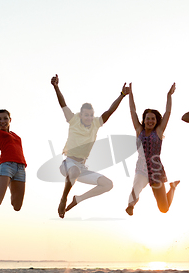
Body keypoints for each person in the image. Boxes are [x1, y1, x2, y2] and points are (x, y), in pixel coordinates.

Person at [51, 74, 130, 218]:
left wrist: (122, 95)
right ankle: (63, 199)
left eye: (90, 115)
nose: (88, 118)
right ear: (80, 115)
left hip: (82, 168)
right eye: (85, 115)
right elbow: (63, 104)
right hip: (68, 165)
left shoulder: (96, 124)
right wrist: (56, 87)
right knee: (74, 171)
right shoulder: (73, 120)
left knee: (108, 184)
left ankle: (78, 199)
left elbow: (110, 111)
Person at [125, 83, 180, 216]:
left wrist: (169, 96)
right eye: (147, 118)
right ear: (143, 120)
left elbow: (168, 112)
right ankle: (130, 205)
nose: (150, 121)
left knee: (164, 208)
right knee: (137, 185)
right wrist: (130, 94)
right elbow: (132, 111)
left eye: (153, 119)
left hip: (156, 169)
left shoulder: (159, 131)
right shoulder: (139, 130)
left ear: (156, 121)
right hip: (142, 167)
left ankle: (172, 188)